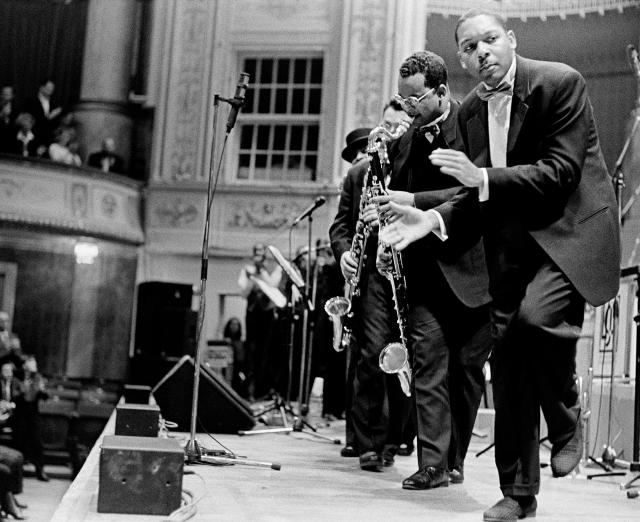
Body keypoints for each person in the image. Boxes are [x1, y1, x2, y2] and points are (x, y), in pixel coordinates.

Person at [380, 9, 620, 520]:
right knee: (508, 365)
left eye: (489, 40)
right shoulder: (469, 112)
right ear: (461, 60)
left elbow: (559, 173)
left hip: (568, 233)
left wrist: (481, 179)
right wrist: (430, 217)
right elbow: (474, 196)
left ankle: (566, 415)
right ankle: (517, 493)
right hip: (511, 247)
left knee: (535, 322)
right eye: (469, 47)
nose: (481, 51)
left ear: (510, 40)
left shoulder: (559, 83)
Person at [373, 51, 491, 489]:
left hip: (473, 274)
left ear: (442, 92)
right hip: (422, 275)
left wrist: (412, 202)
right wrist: (389, 244)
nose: (407, 108)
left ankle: (455, 458)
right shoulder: (404, 139)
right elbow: (397, 201)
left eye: (415, 99)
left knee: (465, 375)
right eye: (402, 99)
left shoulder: (473, 125)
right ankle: (433, 464)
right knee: (428, 368)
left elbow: (470, 190)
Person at [328, 100, 414, 471]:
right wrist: (345, 253)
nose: (388, 133)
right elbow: (340, 228)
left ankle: (396, 438)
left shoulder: (417, 172)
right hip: (373, 278)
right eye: (385, 125)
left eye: (397, 127)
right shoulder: (360, 173)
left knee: (407, 361)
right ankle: (369, 442)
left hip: (410, 274)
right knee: (372, 356)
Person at [238, 243, 283, 401]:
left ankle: (262, 390)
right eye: (257, 252)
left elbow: (272, 287)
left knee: (266, 352)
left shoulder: (271, 269)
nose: (260, 255)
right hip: (252, 314)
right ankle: (247, 390)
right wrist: (252, 277)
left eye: (262, 252)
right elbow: (243, 292)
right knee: (251, 351)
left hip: (267, 315)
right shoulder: (247, 270)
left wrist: (261, 271)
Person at [12, 356, 49, 482]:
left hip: (33, 413)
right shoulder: (17, 377)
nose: (35, 366)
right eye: (32, 363)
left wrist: (41, 390)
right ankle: (17, 473)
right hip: (20, 413)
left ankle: (40, 470)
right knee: (19, 442)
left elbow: (44, 396)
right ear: (25, 365)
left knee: (37, 442)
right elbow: (15, 395)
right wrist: (24, 387)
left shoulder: (38, 377)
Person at [24, 78, 62, 146]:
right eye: (49, 87)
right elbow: (32, 119)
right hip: (33, 136)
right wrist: (49, 117)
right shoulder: (31, 101)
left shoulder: (54, 104)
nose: (51, 89)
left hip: (49, 139)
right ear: (41, 87)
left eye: (52, 88)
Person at [223, 317, 247, 398]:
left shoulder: (241, 343)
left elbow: (241, 358)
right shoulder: (223, 341)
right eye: (232, 324)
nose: (234, 326)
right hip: (224, 370)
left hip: (236, 371)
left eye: (236, 324)